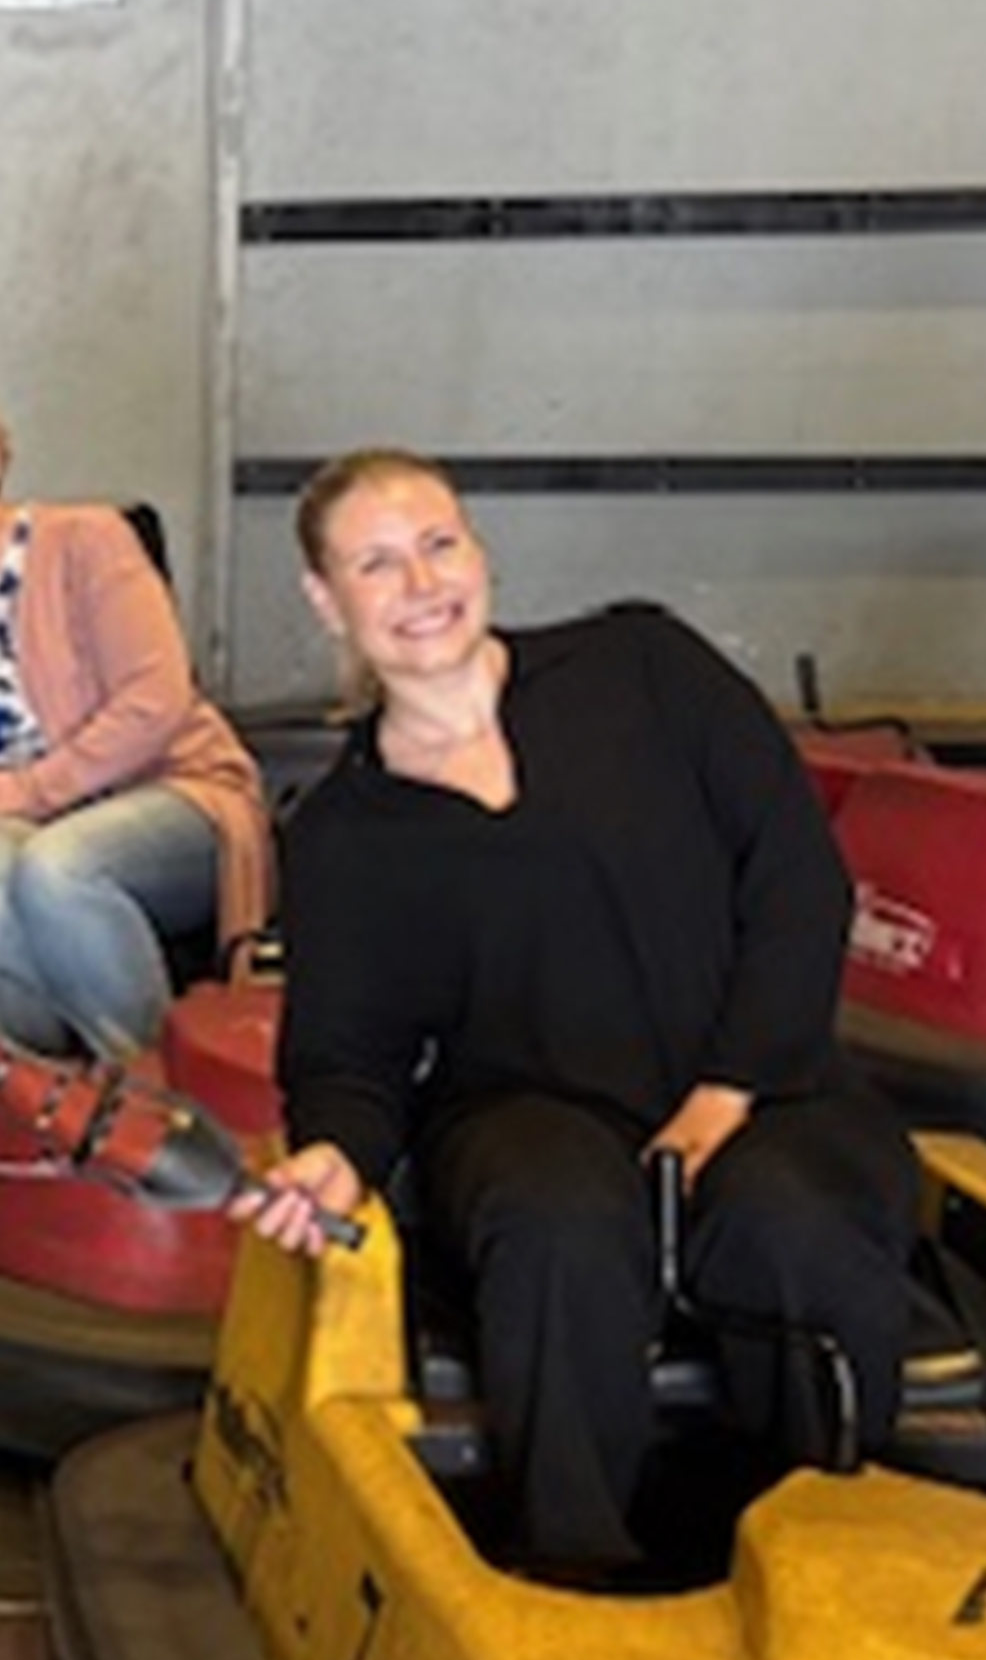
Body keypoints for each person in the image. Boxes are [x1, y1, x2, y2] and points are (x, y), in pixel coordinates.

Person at [232, 448, 915, 1583]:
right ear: (326, 599)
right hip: (521, 1110)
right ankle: (572, 1578)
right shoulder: (342, 836)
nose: (421, 584)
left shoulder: (643, 668)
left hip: (757, 1080)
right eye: (377, 563)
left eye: (438, 544)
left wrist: (722, 1094)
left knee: (787, 1221)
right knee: (557, 1221)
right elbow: (349, 1058)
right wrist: (335, 1160)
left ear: (478, 548)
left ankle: (828, 1576)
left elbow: (798, 881)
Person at [0, 371, 268, 1059]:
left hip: (175, 796)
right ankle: (33, 1084)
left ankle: (147, 1088)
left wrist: (14, 792)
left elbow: (154, 699)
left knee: (58, 868)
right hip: (31, 825)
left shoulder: (88, 542)